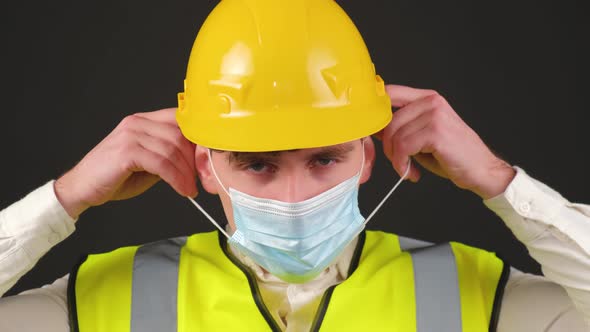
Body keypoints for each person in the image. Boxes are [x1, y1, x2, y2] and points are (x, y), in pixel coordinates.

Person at [1, 0, 589, 331]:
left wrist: (499, 182)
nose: (291, 198)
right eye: (257, 164)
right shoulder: (105, 300)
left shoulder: (476, 296)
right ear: (204, 165)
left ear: (365, 155)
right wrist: (65, 198)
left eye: (324, 158)